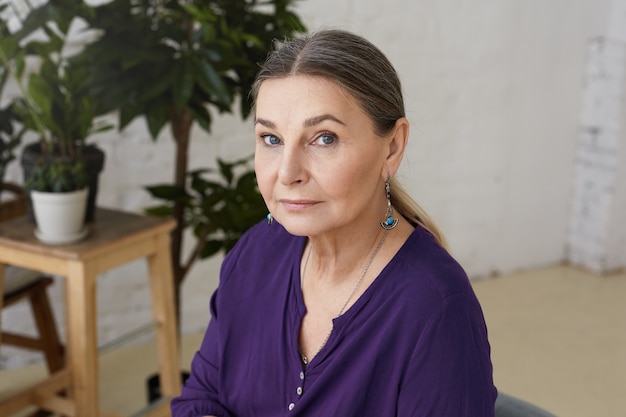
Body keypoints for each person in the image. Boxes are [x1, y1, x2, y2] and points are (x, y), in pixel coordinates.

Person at [171, 29, 497, 417]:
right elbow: (203, 394)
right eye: (271, 139)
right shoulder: (257, 251)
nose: (287, 173)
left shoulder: (436, 308)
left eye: (324, 138)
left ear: (392, 148)